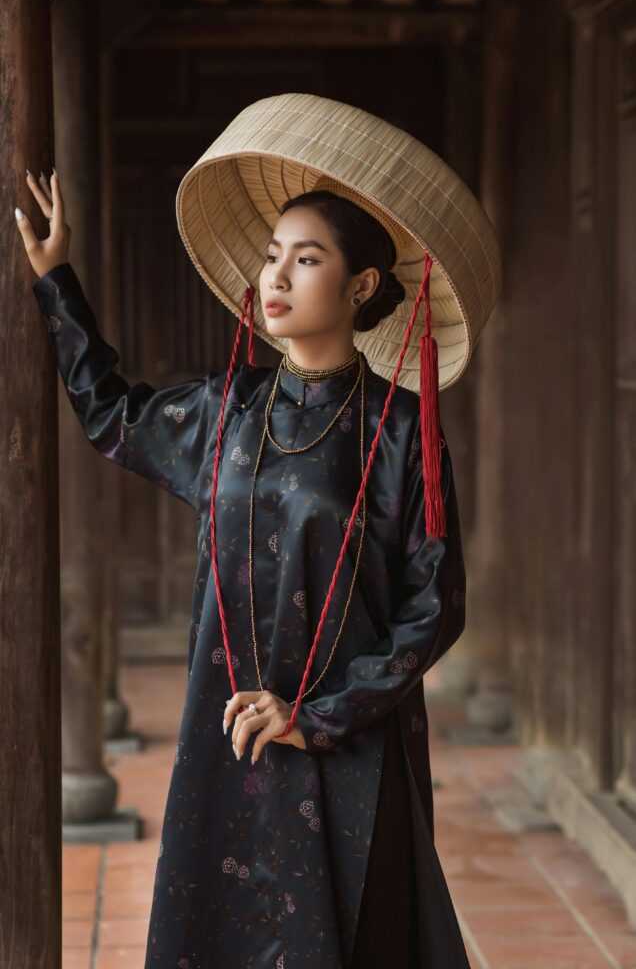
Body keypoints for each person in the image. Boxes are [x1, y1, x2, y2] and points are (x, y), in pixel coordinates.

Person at [16, 93, 500, 968]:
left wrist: (317, 716)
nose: (275, 277)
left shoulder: (398, 430)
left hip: (345, 746)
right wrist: (58, 283)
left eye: (305, 260)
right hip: (230, 732)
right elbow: (111, 417)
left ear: (358, 286)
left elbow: (437, 606)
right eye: (272, 256)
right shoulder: (227, 408)